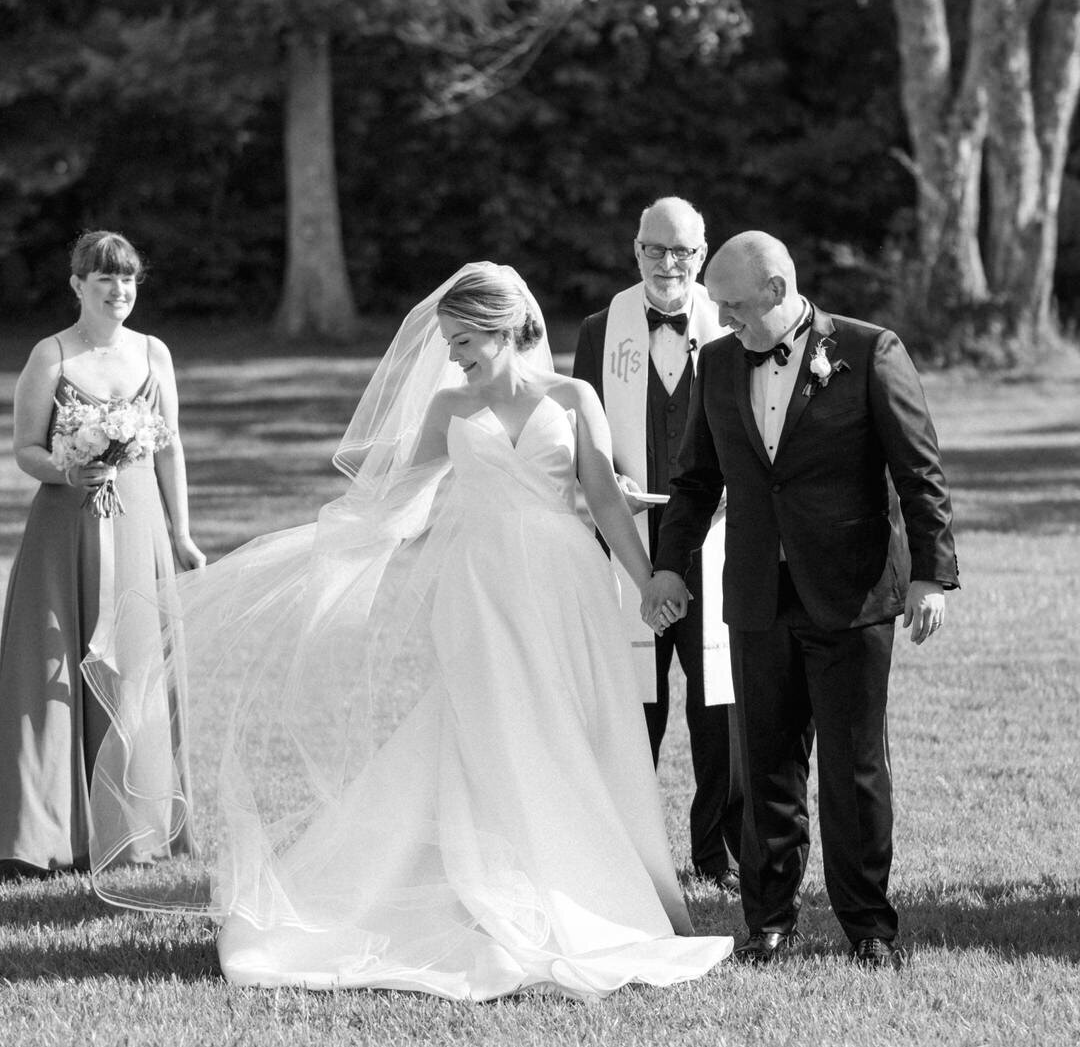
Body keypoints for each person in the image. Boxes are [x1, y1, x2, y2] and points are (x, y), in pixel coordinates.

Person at [110, 263, 731, 998]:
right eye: (449, 341)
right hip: (480, 585)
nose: (455, 355)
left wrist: (650, 578)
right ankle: (499, 893)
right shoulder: (447, 408)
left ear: (505, 331)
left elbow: (600, 494)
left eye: (465, 340)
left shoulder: (572, 397)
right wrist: (339, 538)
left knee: (571, 727)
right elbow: (392, 488)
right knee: (493, 726)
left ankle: (584, 886)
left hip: (568, 585)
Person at [643, 231, 958, 969]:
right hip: (756, 593)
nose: (721, 319)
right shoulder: (717, 362)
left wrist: (932, 575)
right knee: (766, 765)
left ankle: (869, 929)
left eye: (735, 306)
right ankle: (770, 922)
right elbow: (694, 481)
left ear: (780, 293)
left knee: (853, 769)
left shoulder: (870, 351)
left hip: (850, 594)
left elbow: (921, 473)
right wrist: (669, 569)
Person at [0, 229, 204, 877]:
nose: (119, 292)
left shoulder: (155, 353)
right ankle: (48, 836)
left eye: (129, 280)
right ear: (77, 286)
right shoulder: (50, 357)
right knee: (52, 669)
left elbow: (169, 446)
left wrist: (182, 533)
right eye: (105, 280)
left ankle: (138, 826)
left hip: (139, 527)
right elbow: (25, 449)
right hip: (65, 533)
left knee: (138, 667)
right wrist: (68, 469)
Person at [573, 197, 742, 893]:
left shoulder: (731, 323)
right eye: (654, 249)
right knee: (632, 700)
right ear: (634, 249)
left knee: (720, 702)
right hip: (630, 545)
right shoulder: (597, 329)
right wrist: (606, 476)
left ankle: (721, 853)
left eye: (682, 252)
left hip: (721, 537)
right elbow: (575, 429)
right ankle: (626, 847)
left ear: (702, 256)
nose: (667, 264)